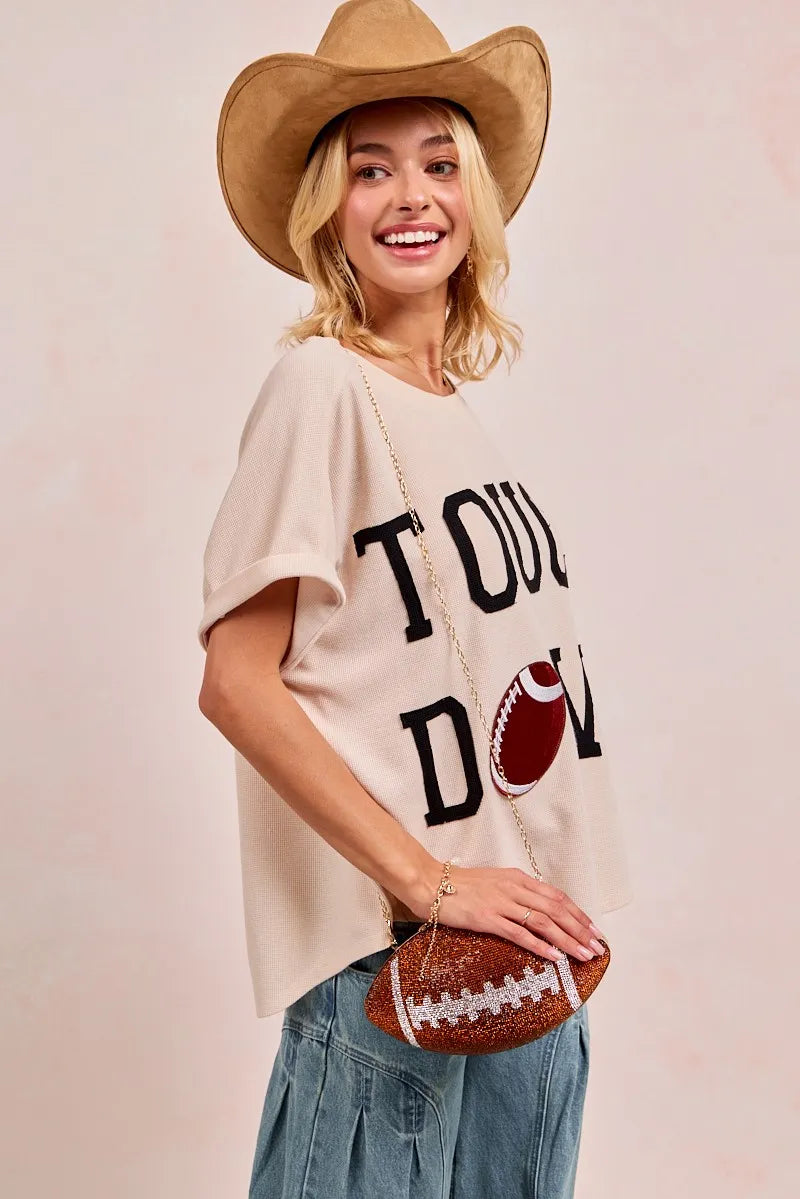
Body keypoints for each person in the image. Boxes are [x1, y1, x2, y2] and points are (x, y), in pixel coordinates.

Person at [197, 3, 633, 1196]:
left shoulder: (462, 425)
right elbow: (236, 681)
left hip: (527, 979)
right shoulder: (318, 389)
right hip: (399, 975)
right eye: (368, 167)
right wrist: (430, 879)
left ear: (475, 198)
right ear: (325, 210)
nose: (410, 196)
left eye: (439, 163)